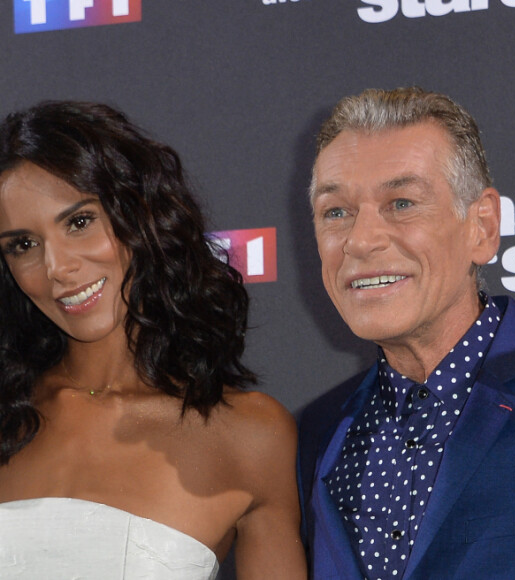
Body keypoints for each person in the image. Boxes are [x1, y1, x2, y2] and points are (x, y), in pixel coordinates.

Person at [0, 100, 307, 579]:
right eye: (23, 245)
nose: (57, 269)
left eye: (79, 223)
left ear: (138, 213)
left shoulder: (250, 436)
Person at [298, 87, 515, 579]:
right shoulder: (311, 437)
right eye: (336, 212)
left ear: (482, 227)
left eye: (402, 202)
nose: (360, 240)